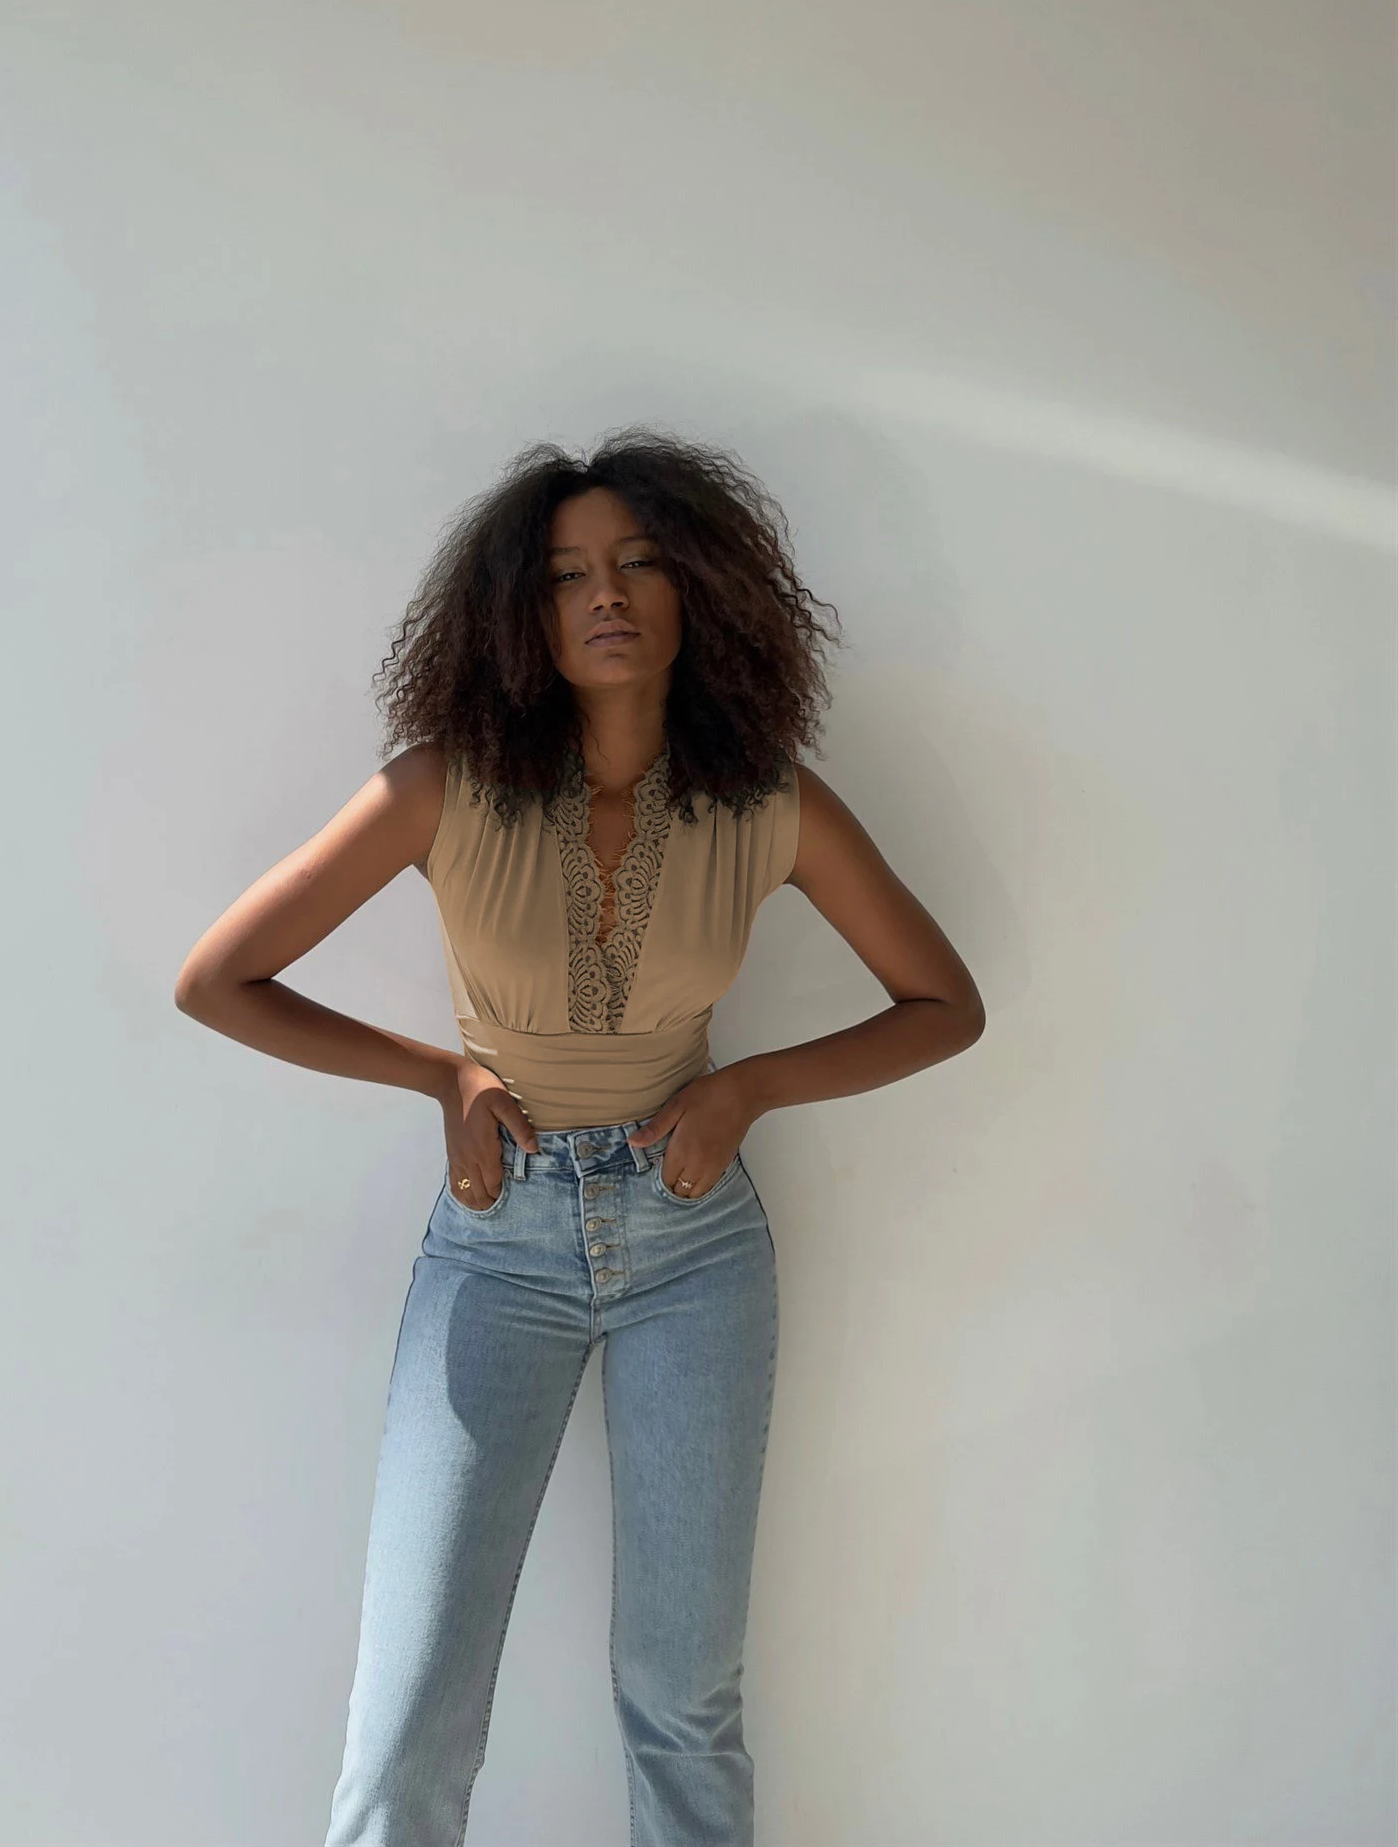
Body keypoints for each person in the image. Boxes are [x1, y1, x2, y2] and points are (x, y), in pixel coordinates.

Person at [174, 427, 986, 1847]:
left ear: (698, 591)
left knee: (682, 1694)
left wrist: (747, 1090)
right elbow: (218, 978)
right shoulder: (440, 788)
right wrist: (441, 1077)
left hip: (696, 1247)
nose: (604, 593)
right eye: (564, 575)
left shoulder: (771, 802)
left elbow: (942, 1006)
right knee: (411, 1710)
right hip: (498, 1241)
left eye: (638, 562)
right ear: (520, 612)